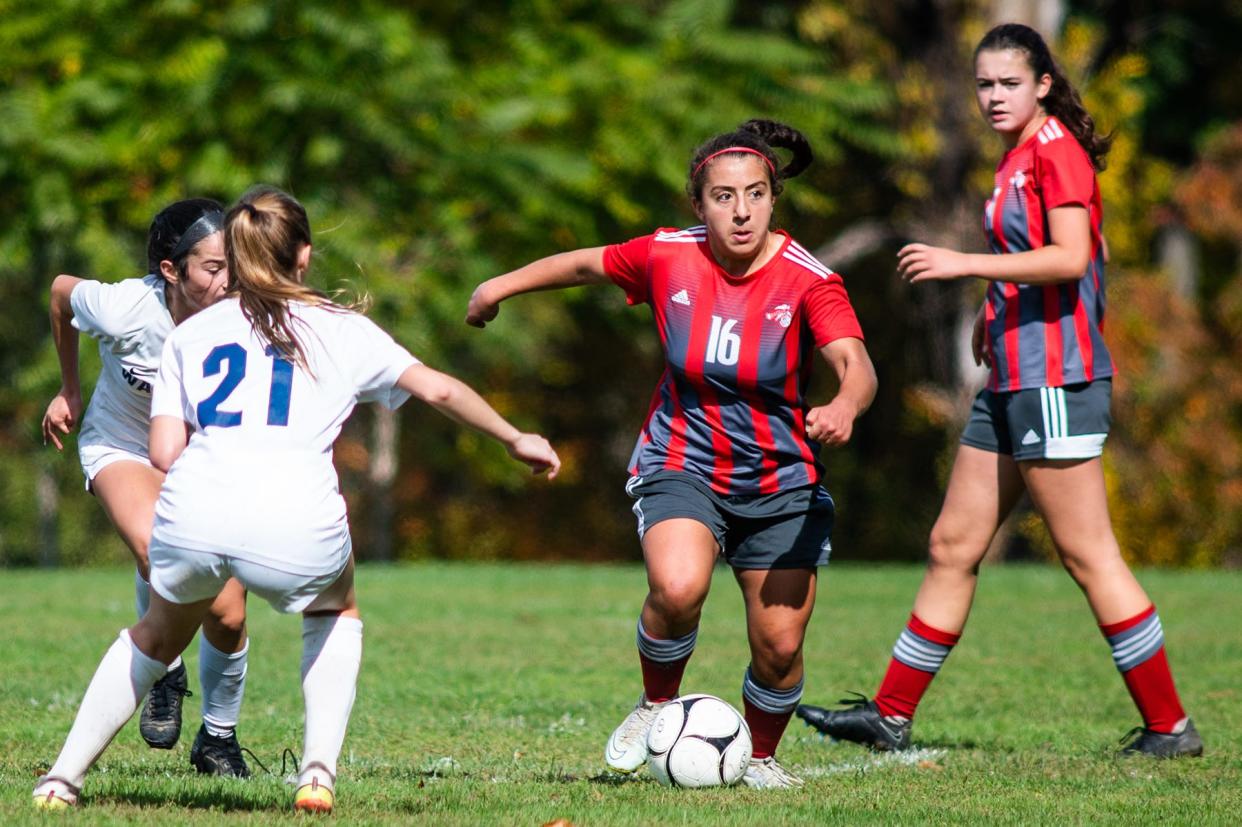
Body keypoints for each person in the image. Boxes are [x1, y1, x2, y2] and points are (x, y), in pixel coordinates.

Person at [32, 185, 561, 813]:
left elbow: (166, 454)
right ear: (302, 257)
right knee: (335, 611)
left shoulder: (192, 335)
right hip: (297, 517)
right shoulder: (343, 329)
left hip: (195, 509)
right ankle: (315, 774)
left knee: (154, 635)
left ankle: (61, 782)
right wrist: (513, 436)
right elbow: (440, 392)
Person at [796, 23, 1201, 758]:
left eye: (1008, 83)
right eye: (983, 84)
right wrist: (993, 314)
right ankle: (889, 714)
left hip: (1055, 381)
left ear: (1043, 83)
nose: (992, 96)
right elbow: (1048, 252)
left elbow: (1076, 256)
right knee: (952, 544)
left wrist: (963, 266)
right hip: (1009, 378)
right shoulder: (1016, 159)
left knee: (1089, 555)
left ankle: (1170, 727)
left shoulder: (1057, 153)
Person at [467, 119, 878, 788]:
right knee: (679, 585)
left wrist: (843, 404)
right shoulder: (667, 253)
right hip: (682, 458)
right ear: (699, 204)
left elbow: (854, 363)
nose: (740, 211)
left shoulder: (809, 279)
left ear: (774, 197)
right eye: (722, 196)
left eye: (754, 194)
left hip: (781, 480)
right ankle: (656, 701)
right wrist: (496, 288)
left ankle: (763, 756)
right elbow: (582, 264)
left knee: (778, 646)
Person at [41, 198, 254, 775]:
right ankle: (166, 659)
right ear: (170, 270)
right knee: (160, 555)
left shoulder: (246, 312)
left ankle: (218, 737)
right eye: (213, 267)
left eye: (233, 264)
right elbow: (61, 292)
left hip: (201, 460)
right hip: (123, 448)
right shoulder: (123, 309)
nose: (227, 278)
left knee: (230, 613)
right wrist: (70, 388)